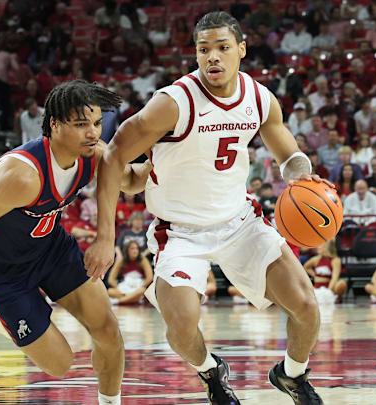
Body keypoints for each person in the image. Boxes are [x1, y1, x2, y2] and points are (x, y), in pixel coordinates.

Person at [85, 12, 326, 404]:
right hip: (179, 232)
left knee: (307, 306)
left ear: (241, 50)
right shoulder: (173, 103)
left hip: (239, 221)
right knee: (180, 327)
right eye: (203, 49)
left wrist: (305, 178)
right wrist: (105, 236)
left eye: (222, 48)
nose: (212, 57)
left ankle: (291, 375)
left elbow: (289, 155)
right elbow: (113, 157)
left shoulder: (259, 98)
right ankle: (210, 371)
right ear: (195, 55)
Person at [0, 80, 153, 405]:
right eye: (81, 125)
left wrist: (160, 158)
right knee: (61, 364)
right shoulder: (21, 177)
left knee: (108, 331)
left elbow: (131, 180)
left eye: (96, 124)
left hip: (50, 249)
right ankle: (3, 318)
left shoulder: (94, 153)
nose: (92, 133)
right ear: (55, 124)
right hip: (3, 272)